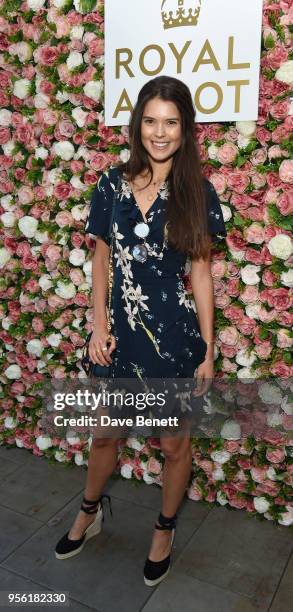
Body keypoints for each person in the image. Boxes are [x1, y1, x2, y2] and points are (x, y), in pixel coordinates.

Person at [55, 76, 227, 587]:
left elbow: (200, 274)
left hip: (175, 342)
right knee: (105, 434)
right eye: (151, 120)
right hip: (120, 341)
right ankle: (90, 509)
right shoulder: (111, 184)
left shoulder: (198, 192)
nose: (159, 132)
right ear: (138, 126)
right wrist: (99, 327)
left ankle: (165, 528)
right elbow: (101, 261)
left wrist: (209, 349)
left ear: (185, 129)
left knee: (174, 446)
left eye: (170, 122)